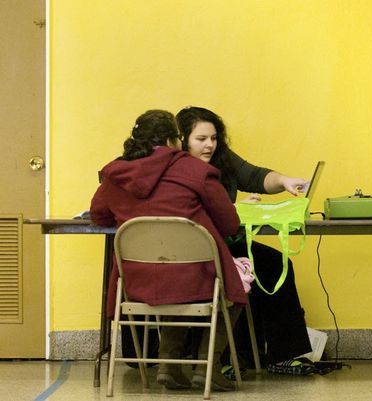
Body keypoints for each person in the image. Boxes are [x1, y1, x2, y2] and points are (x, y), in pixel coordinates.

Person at [90, 109, 245, 391]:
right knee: (238, 279)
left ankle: (168, 367)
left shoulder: (115, 174)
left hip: (138, 280)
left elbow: (98, 215)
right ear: (176, 140)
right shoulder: (196, 171)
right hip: (193, 276)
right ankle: (205, 367)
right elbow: (230, 223)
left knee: (175, 278)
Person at [175, 106, 314, 376]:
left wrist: (284, 181)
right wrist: (234, 208)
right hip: (195, 251)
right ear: (183, 140)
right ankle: (224, 359)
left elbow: (256, 176)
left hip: (224, 243)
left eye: (213, 138)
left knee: (274, 264)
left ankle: (282, 355)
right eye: (201, 139)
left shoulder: (221, 158)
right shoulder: (177, 169)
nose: (210, 145)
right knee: (236, 275)